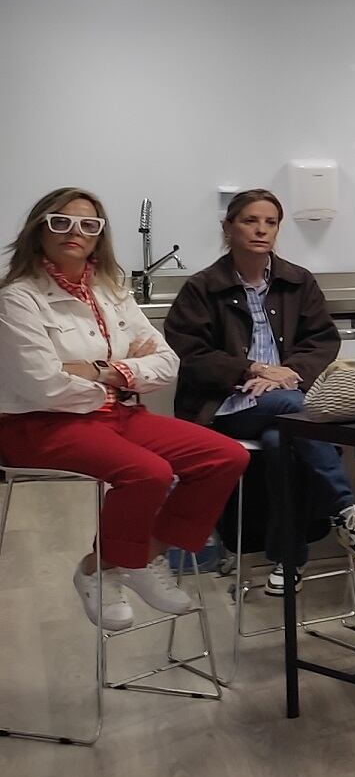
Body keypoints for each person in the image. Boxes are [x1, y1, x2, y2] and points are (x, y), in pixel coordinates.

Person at [0, 188, 249, 629]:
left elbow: (168, 363)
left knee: (226, 456)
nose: (75, 232)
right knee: (147, 472)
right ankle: (101, 571)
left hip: (114, 413)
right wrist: (123, 372)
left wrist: (100, 371)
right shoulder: (17, 298)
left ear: (100, 237)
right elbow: (41, 384)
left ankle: (136, 561)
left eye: (88, 225)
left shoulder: (110, 292)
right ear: (40, 229)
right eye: (61, 222)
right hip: (38, 424)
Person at [165, 188, 355, 594]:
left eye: (270, 222)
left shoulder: (296, 280)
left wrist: (286, 372)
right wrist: (252, 368)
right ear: (228, 227)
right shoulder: (202, 288)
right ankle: (346, 512)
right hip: (226, 407)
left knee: (281, 439)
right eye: (251, 220)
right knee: (294, 407)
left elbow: (323, 341)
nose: (261, 230)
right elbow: (193, 354)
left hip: (285, 401)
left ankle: (288, 562)